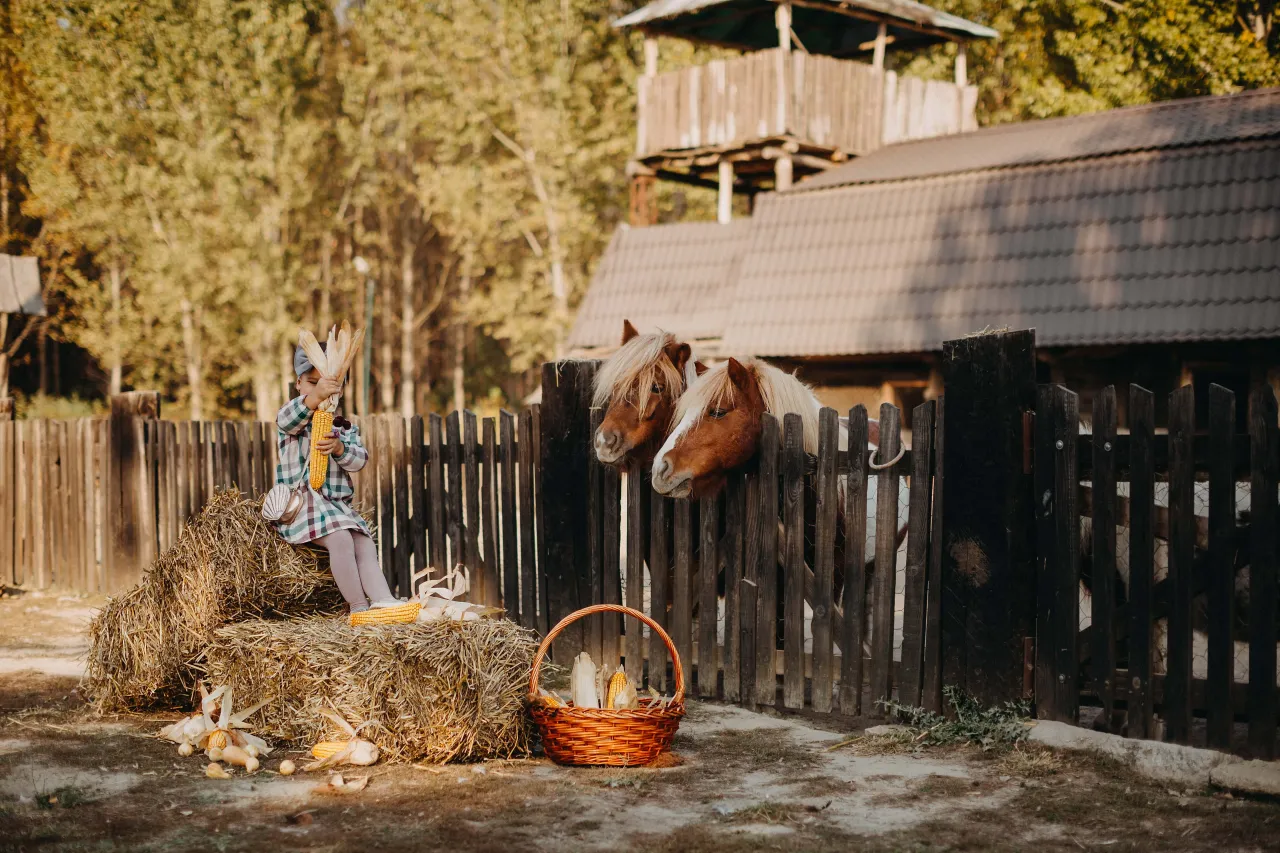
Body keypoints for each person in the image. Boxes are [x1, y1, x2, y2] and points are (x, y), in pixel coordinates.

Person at [272, 342, 398, 614]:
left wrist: (340, 449)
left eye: (329, 385)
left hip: (336, 506)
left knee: (363, 542)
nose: (321, 389)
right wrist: (315, 397)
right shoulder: (293, 417)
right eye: (312, 382)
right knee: (340, 538)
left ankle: (385, 602)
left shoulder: (342, 427)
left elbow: (359, 460)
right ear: (298, 383)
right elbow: (286, 420)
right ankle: (358, 607)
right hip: (302, 506)